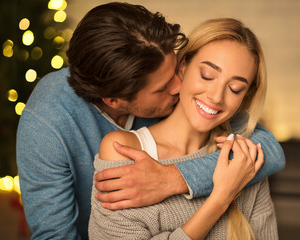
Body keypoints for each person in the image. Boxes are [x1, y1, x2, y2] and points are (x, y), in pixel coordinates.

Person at [16, 2, 284, 239]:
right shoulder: (47, 123)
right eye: (164, 86)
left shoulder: (186, 93)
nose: (180, 86)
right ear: (115, 100)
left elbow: (267, 149)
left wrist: (174, 178)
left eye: (177, 68)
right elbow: (55, 235)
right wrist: (219, 197)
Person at [89, 17, 278, 239]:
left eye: (235, 89)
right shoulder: (122, 150)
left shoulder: (242, 159)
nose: (216, 97)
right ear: (183, 66)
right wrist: (220, 198)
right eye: (207, 75)